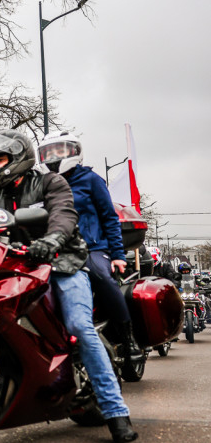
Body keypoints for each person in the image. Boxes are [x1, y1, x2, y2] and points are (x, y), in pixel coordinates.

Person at [0, 129, 136, 443]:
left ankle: (116, 412)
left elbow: (64, 214)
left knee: (79, 326)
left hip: (63, 264)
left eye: (0, 159)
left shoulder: (50, 183)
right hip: (20, 269)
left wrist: (52, 240)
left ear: (18, 159)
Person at [39, 131, 141, 361]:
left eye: (61, 150)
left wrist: (117, 255)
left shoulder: (91, 180)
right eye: (49, 152)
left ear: (75, 151)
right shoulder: (42, 184)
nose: (55, 156)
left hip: (93, 249)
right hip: (56, 249)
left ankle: (128, 337)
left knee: (101, 276)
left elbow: (109, 218)